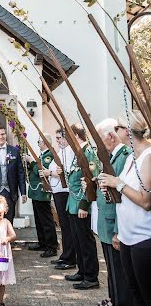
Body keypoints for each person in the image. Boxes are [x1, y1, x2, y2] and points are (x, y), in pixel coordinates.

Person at [99, 111, 151, 306]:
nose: (117, 135)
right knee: (138, 295)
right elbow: (126, 196)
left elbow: (145, 201)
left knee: (149, 298)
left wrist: (117, 182)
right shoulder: (131, 158)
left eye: (121, 130)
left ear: (130, 133)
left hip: (145, 237)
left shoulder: (148, 157)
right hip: (129, 235)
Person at [91, 118, 139, 306]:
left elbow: (123, 194)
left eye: (100, 139)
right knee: (113, 273)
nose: (99, 145)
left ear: (110, 136)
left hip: (115, 223)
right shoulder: (113, 157)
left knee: (121, 276)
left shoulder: (123, 157)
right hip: (107, 221)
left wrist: (119, 229)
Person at [64, 123, 100, 290]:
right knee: (77, 239)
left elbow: (91, 179)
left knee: (85, 240)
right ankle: (82, 270)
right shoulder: (78, 153)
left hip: (81, 203)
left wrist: (84, 205)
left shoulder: (88, 153)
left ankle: (91, 276)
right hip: (73, 202)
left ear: (76, 136)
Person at [42, 128, 76, 270]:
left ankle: (70, 257)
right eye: (56, 138)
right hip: (58, 191)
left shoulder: (70, 152)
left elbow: (66, 172)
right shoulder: (62, 152)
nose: (57, 141)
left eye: (58, 138)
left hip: (64, 192)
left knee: (67, 226)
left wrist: (50, 172)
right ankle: (65, 255)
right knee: (64, 225)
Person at [26, 135, 58, 257]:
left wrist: (31, 161)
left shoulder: (48, 155)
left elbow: (40, 171)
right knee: (39, 219)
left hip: (42, 191)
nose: (38, 144)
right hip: (37, 192)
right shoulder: (42, 154)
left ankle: (51, 246)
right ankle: (43, 242)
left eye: (39, 142)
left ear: (44, 142)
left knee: (46, 221)